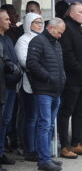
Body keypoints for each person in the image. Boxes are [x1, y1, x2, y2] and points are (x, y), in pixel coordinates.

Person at [26, 17, 66, 171]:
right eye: (59, 32)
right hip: (44, 90)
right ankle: (43, 160)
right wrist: (48, 77)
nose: (60, 35)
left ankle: (46, 157)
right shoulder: (38, 41)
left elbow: (60, 66)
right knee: (44, 125)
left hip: (56, 90)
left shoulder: (56, 44)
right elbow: (32, 64)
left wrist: (62, 79)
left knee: (48, 126)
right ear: (50, 27)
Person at [58, 2, 82, 159]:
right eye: (80, 12)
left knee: (81, 111)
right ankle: (65, 145)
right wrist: (81, 70)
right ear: (71, 13)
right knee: (67, 112)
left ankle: (76, 143)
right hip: (73, 80)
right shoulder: (66, 27)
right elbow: (67, 55)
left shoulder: (79, 27)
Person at [15, 12, 44, 162]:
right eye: (36, 22)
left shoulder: (43, 39)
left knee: (41, 119)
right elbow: (25, 61)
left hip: (43, 84)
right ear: (28, 24)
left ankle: (40, 149)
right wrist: (43, 68)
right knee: (31, 117)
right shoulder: (23, 40)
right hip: (28, 84)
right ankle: (30, 150)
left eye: (41, 22)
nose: (40, 24)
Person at [0, 9, 22, 165]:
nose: (10, 21)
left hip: (10, 86)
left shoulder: (7, 39)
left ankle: (1, 152)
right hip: (2, 87)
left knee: (6, 121)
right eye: (6, 19)